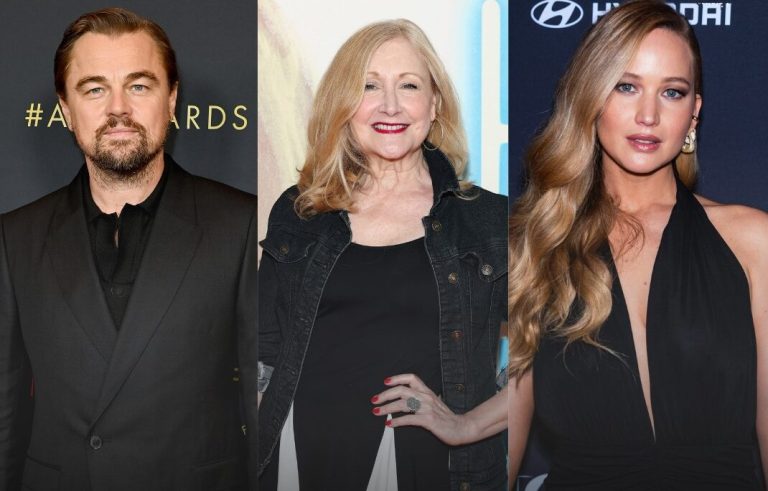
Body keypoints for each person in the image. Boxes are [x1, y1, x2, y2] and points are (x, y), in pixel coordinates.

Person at [508, 0, 768, 489]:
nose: (648, 114)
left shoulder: (754, 242)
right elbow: (503, 446)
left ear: (694, 113)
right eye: (626, 86)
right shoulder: (534, 245)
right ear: (591, 97)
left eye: (672, 92)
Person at [0, 8, 257, 491]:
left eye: (138, 85)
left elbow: (261, 402)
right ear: (65, 108)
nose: (118, 108)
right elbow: (5, 410)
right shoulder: (15, 237)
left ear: (172, 98)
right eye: (94, 89)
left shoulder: (240, 224)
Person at [257, 19, 508, 491]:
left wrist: (468, 424)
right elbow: (263, 351)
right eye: (369, 86)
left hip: (428, 465)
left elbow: (553, 352)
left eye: (408, 85)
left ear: (434, 104)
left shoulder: (488, 220)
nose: (390, 105)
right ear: (344, 104)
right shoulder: (299, 210)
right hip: (296, 456)